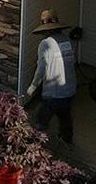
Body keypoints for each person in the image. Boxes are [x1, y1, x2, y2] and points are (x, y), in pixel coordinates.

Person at [25, 9, 78, 144]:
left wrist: (33, 85)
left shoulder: (46, 43)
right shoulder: (67, 40)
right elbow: (72, 61)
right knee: (65, 116)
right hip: (70, 89)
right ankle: (67, 141)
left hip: (54, 92)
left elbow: (41, 68)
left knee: (40, 120)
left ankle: (35, 147)